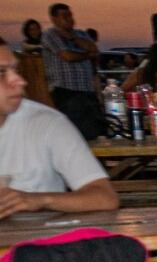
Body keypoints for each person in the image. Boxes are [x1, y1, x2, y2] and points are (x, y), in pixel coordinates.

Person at [0, 39, 118, 218]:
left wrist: (40, 200)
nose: (20, 81)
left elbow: (105, 197)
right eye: (1, 72)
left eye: (15, 70)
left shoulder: (47, 123)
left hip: (38, 241)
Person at [40, 2, 104, 139]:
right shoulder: (50, 35)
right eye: (64, 16)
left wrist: (74, 38)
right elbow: (67, 56)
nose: (69, 18)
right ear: (54, 19)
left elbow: (95, 50)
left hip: (87, 90)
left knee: (94, 130)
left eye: (70, 15)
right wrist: (87, 55)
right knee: (74, 132)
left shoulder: (80, 34)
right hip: (66, 91)